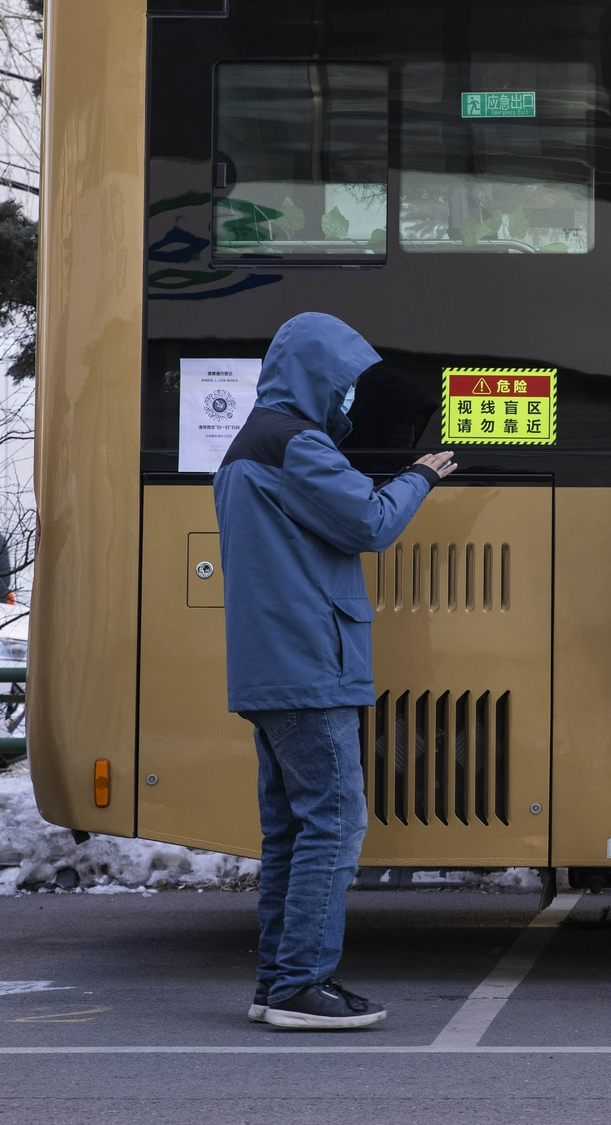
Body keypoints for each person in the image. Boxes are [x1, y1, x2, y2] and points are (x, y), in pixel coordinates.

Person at [213, 312, 456, 1030]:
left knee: (291, 829)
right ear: (316, 375)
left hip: (271, 665)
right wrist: (419, 475)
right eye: (343, 383)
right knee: (335, 822)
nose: (348, 397)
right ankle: (300, 987)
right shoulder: (296, 443)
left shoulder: (247, 444)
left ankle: (276, 982)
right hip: (311, 660)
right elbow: (371, 523)